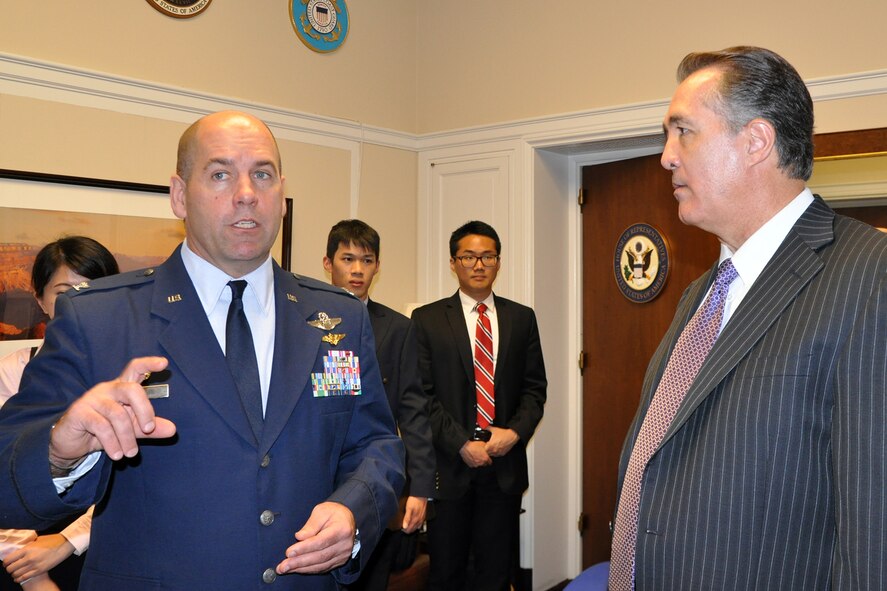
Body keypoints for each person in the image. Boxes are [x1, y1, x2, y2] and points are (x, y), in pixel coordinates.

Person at [0, 111, 404, 591]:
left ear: (281, 196)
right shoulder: (98, 319)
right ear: (178, 195)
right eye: (220, 174)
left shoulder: (337, 316)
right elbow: (8, 477)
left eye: (262, 174)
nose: (247, 192)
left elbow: (375, 444)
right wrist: (59, 451)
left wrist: (353, 510)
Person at [608, 46, 887, 591]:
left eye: (683, 131)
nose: (666, 156)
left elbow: (873, 530)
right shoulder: (700, 294)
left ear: (756, 141)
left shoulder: (868, 277)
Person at [411, 220, 547, 591]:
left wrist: (515, 433)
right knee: (445, 574)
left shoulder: (522, 318)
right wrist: (460, 443)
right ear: (453, 263)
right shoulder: (427, 320)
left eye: (487, 256)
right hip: (450, 465)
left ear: (498, 262)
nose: (478, 264)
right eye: (468, 256)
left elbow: (535, 390)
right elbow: (422, 395)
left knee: (495, 573)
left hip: (502, 468)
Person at [0, 236, 118, 591]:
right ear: (39, 299)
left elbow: (137, 487)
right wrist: (31, 570)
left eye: (93, 291)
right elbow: (5, 472)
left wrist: (67, 542)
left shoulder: (135, 376)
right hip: (17, 555)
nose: (79, 304)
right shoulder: (11, 371)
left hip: (105, 544)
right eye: (65, 292)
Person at [322, 219, 435, 591]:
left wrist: (419, 487)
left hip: (374, 476)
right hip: (317, 477)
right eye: (347, 258)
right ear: (328, 263)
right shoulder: (304, 320)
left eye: (367, 260)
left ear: (377, 267)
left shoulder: (398, 328)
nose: (357, 270)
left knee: (373, 578)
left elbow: (413, 410)